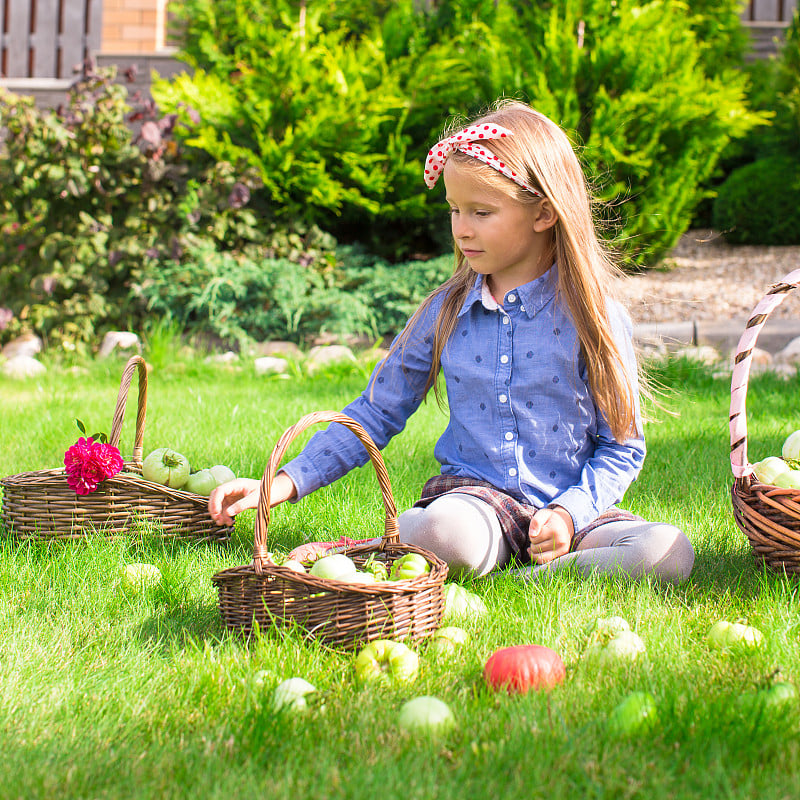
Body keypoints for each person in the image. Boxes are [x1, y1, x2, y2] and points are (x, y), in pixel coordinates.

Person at [208, 99, 695, 583]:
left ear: (544, 213)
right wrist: (285, 481)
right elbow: (374, 414)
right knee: (442, 532)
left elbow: (622, 448)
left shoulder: (596, 319)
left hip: (573, 515)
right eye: (454, 210)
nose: (462, 228)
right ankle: (490, 558)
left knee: (667, 552)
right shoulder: (444, 312)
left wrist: (570, 513)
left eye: (482, 212)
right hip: (478, 509)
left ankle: (526, 577)